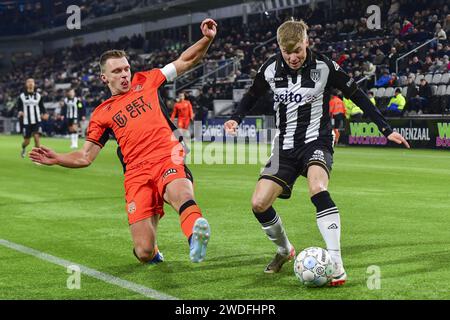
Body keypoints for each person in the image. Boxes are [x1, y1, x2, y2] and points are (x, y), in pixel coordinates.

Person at [224, 19, 409, 286]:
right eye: (287, 52)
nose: (293, 57)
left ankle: (336, 263)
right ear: (279, 48)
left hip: (316, 142)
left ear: (306, 42)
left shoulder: (324, 67)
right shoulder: (270, 69)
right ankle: (284, 250)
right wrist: (236, 118)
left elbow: (356, 95)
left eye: (297, 50)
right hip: (284, 148)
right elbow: (251, 95)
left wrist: (385, 128)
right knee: (259, 204)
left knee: (317, 188)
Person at [29, 18, 218, 265]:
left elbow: (186, 61)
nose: (124, 75)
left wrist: (207, 39)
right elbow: (86, 156)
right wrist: (58, 158)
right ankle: (154, 251)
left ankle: (195, 237)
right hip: (136, 173)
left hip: (167, 157)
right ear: (104, 78)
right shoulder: (102, 113)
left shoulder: (147, 80)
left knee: (180, 193)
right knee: (144, 252)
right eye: (117, 71)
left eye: (126, 68)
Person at [17, 78, 48, 158]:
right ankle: (23, 148)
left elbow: (42, 107)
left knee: (37, 138)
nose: (30, 83)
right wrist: (20, 112)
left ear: (34, 84)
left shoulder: (38, 96)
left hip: (37, 121)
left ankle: (37, 157)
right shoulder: (22, 96)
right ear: (26, 84)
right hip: (26, 122)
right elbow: (19, 107)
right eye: (29, 82)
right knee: (26, 142)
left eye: (32, 82)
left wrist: (45, 113)